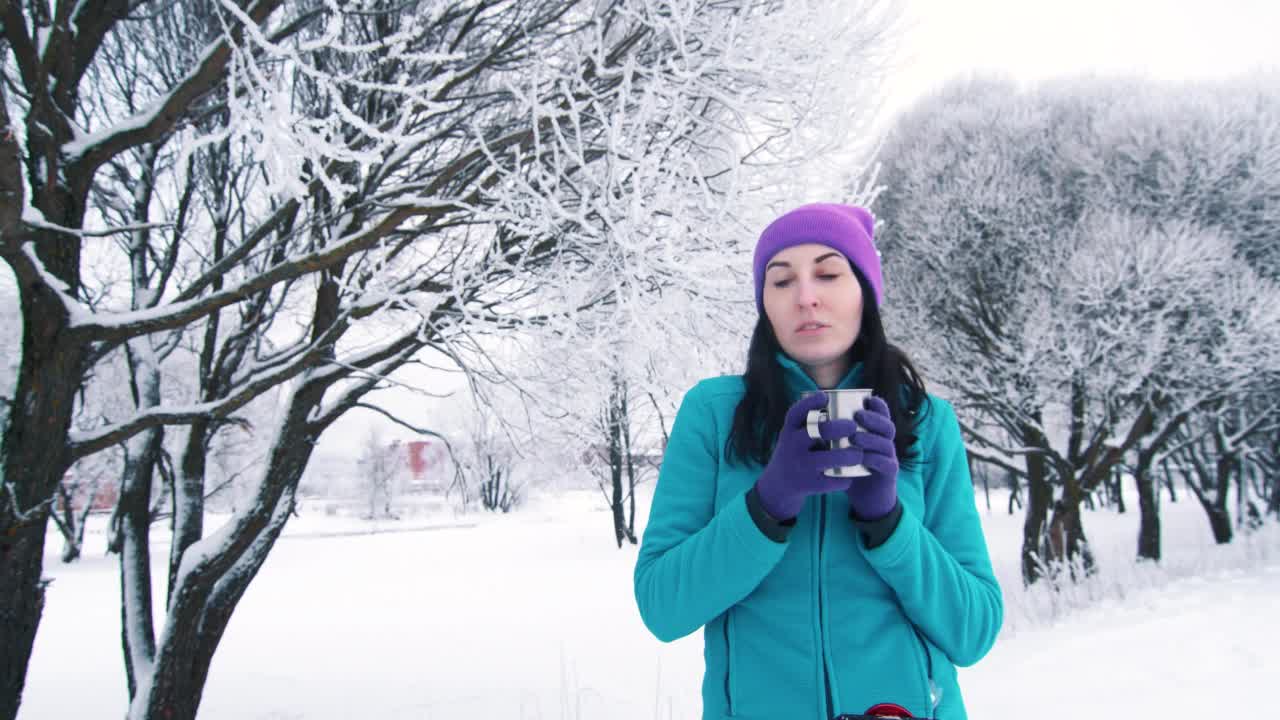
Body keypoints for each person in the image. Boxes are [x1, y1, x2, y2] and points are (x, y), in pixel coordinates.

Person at [633, 203, 1003, 720]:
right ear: (765, 304)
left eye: (829, 273)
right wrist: (767, 506)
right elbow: (662, 606)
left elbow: (974, 630)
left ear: (865, 293)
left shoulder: (926, 419)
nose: (806, 296)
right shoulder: (714, 415)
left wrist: (889, 524)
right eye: (781, 282)